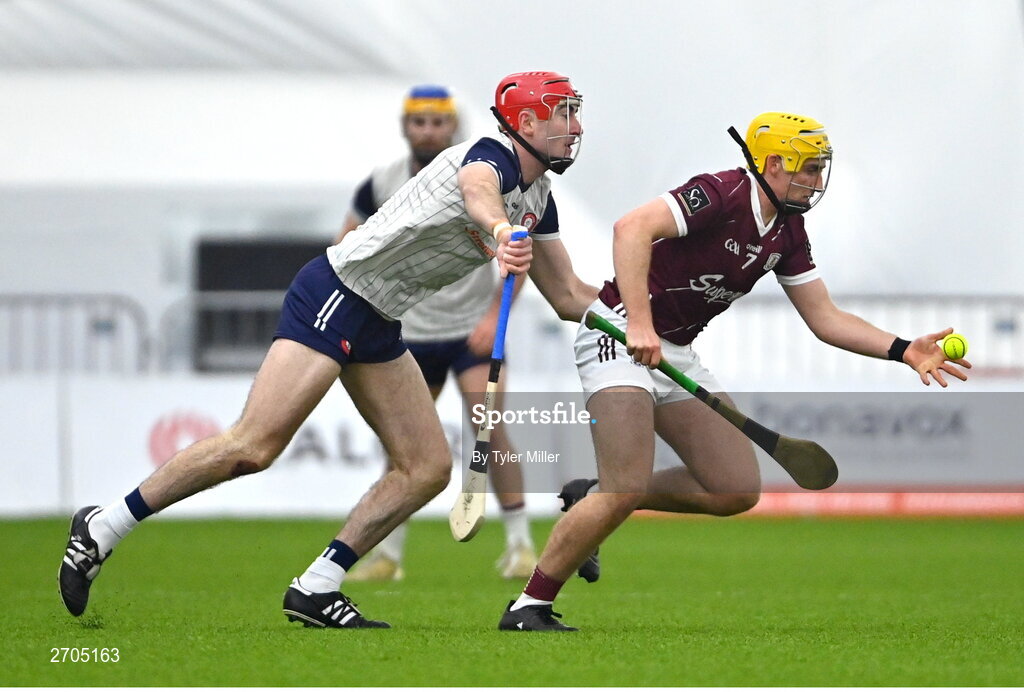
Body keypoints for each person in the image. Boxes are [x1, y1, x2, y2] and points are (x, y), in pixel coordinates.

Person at [59, 71, 597, 629]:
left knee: (427, 468)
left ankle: (318, 586)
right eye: (564, 112)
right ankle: (103, 526)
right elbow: (478, 190)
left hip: (380, 318)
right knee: (254, 446)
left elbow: (568, 296)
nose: (576, 126)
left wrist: (631, 320)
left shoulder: (541, 199)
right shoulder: (491, 156)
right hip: (338, 293)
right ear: (527, 122)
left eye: (576, 112)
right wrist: (501, 230)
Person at [498, 111, 973, 631]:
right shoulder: (720, 193)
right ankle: (529, 606)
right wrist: (638, 322)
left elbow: (825, 317)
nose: (816, 181)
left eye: (819, 169)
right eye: (807, 169)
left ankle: (590, 497)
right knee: (626, 485)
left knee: (733, 488)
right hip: (617, 334)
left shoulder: (789, 231)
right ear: (773, 164)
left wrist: (903, 349)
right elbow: (630, 228)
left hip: (672, 349)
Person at [337, 85, 537, 582]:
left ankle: (521, 547)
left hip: (472, 330)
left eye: (438, 122)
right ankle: (388, 556)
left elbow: (518, 247)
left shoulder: (483, 173)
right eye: (419, 122)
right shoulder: (381, 182)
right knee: (403, 448)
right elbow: (345, 243)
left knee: (488, 430)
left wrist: (495, 316)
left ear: (453, 126)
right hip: (410, 332)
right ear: (407, 127)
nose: (428, 130)